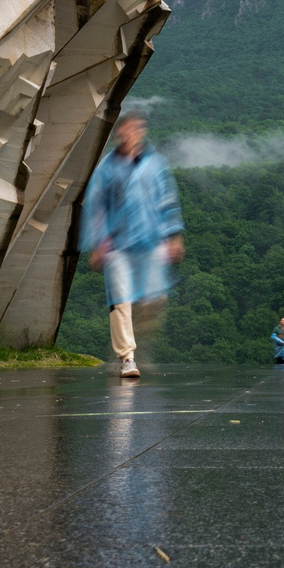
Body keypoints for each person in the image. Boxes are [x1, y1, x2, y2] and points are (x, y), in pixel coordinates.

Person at [79, 114, 184, 380]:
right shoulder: (107, 168)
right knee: (121, 299)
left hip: (149, 241)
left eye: (137, 129)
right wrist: (99, 242)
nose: (132, 133)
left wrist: (174, 236)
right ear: (119, 133)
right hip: (116, 245)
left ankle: (139, 342)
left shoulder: (154, 164)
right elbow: (96, 206)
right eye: (127, 129)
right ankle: (127, 356)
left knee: (154, 299)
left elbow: (167, 200)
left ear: (142, 132)